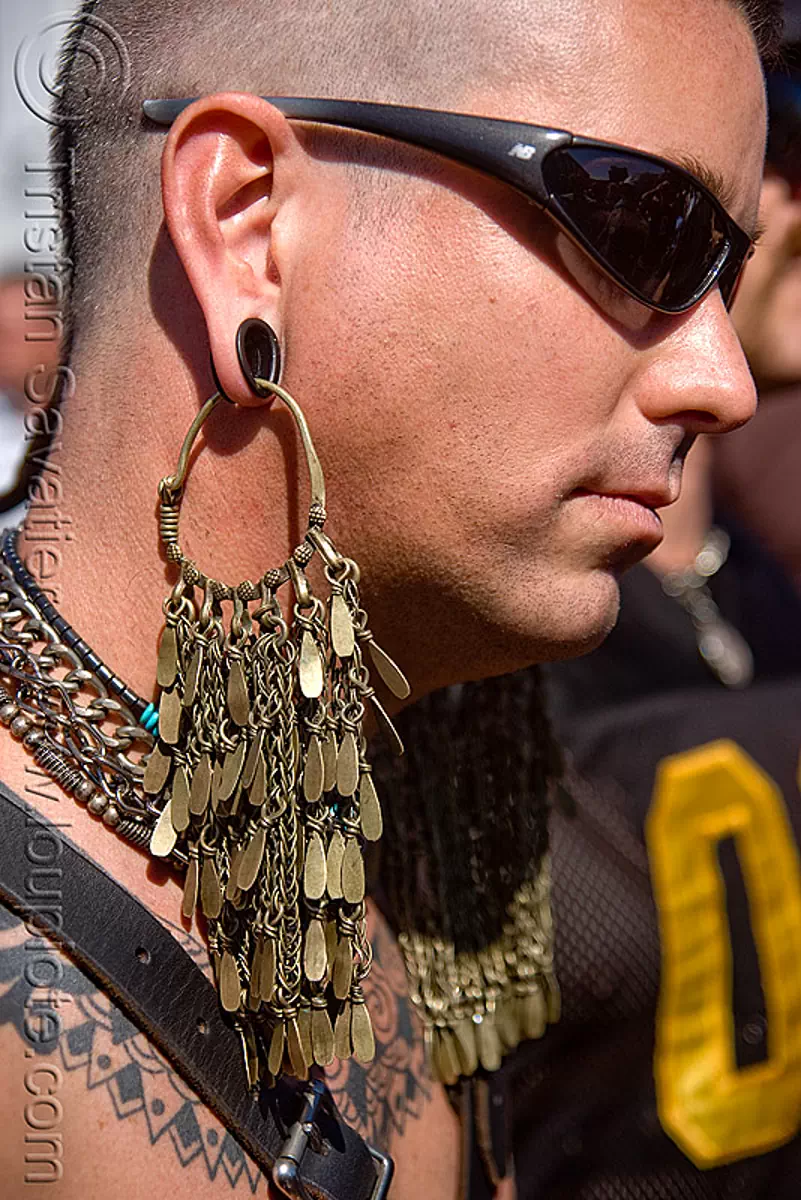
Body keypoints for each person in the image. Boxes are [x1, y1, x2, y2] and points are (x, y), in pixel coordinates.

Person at [0, 1, 778, 1197]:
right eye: (640, 227)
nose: (722, 382)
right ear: (249, 224)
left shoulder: (430, 831)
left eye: (728, 272)